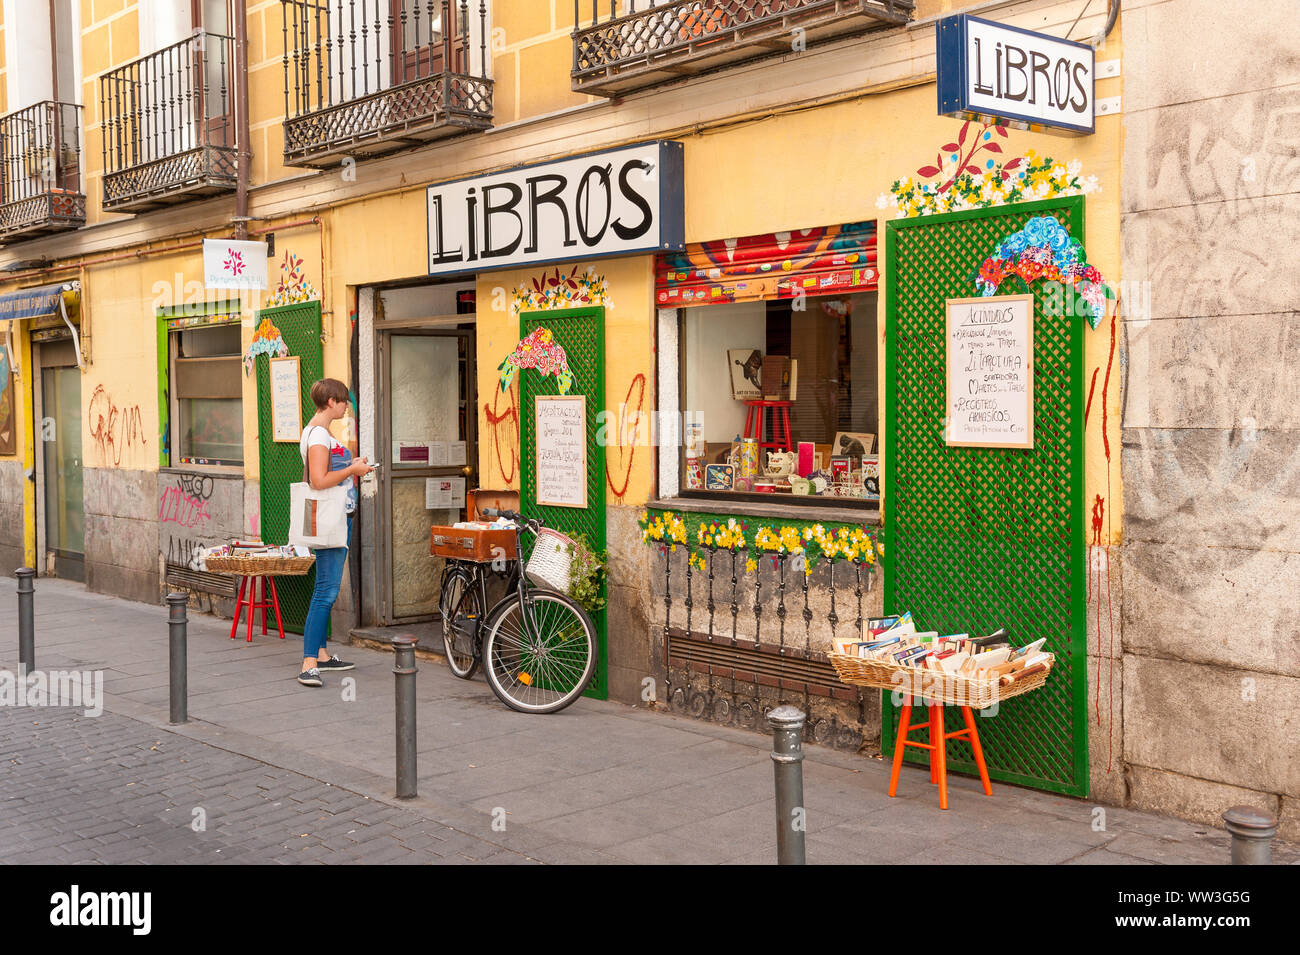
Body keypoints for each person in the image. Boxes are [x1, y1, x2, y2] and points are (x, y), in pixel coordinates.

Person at [297, 378, 373, 687]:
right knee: (325, 591)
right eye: (343, 401)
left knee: (326, 588)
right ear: (331, 402)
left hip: (337, 517)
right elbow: (318, 479)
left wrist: (352, 464)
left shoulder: (319, 432)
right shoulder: (318, 435)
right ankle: (308, 663)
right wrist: (352, 470)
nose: (346, 406)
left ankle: (323, 655)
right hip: (331, 519)